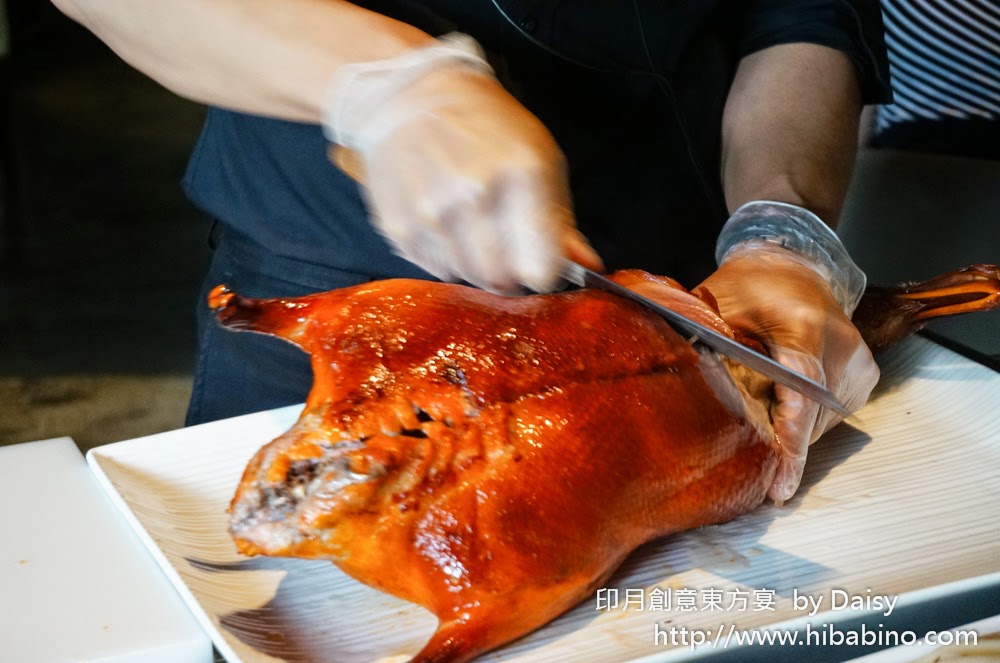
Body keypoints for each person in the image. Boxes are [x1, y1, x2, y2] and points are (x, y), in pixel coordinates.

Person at [49, 0, 890, 504]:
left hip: (685, 294)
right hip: (340, 292)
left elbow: (800, 13)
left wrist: (780, 228)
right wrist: (387, 84)